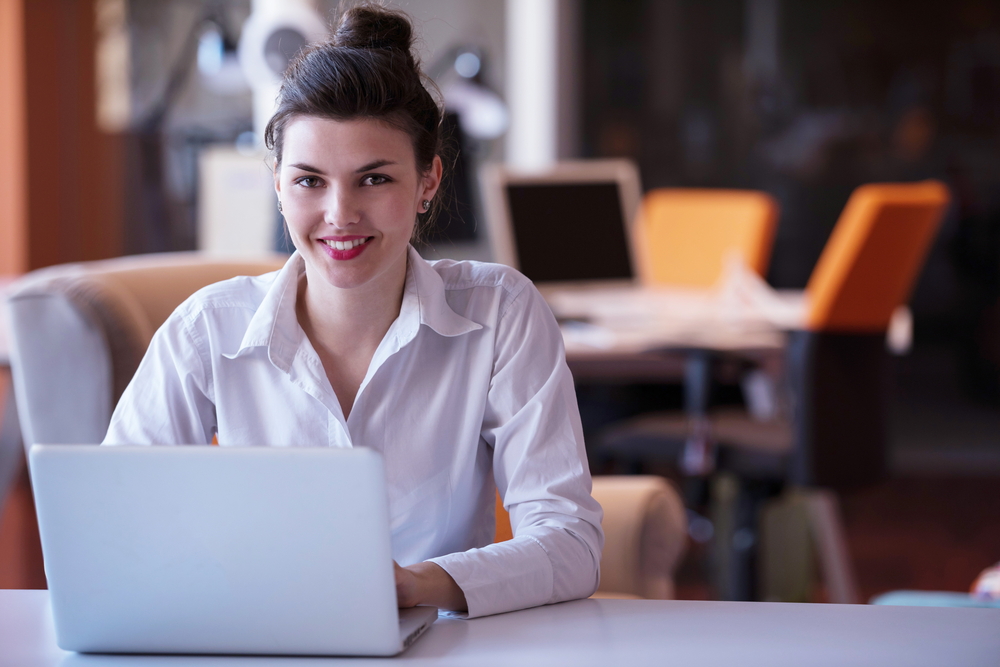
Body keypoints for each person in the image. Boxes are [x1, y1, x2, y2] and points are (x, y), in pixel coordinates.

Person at [103, 4, 604, 619]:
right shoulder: (208, 327)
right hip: (260, 643)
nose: (341, 214)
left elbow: (570, 542)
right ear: (279, 186)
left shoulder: (501, 313)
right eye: (310, 181)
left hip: (442, 651)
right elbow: (116, 530)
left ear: (427, 181)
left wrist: (422, 584)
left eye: (374, 180)